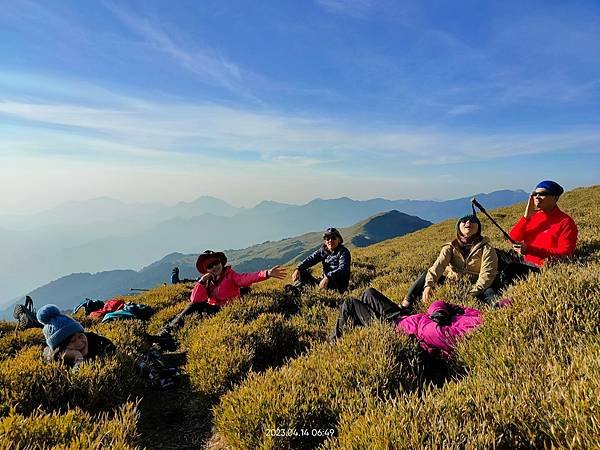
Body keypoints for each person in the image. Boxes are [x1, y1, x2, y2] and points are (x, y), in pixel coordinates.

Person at [330, 287, 482, 359]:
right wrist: (440, 311)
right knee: (369, 293)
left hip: (397, 331)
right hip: (405, 318)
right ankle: (356, 331)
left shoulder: (476, 333)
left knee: (350, 304)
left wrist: (432, 320)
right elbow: (447, 305)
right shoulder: (481, 316)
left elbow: (434, 334)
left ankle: (334, 347)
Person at [159, 250, 286, 334]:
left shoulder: (231, 275)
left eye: (216, 263)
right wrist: (202, 282)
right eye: (210, 266)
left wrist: (267, 273)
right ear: (206, 270)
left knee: (192, 309)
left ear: (221, 262)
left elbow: (246, 278)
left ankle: (168, 332)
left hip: (226, 310)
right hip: (213, 310)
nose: (215, 267)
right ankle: (167, 330)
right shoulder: (208, 280)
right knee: (190, 308)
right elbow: (195, 299)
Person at [402, 214, 499, 308]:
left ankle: (493, 313)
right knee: (426, 275)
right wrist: (428, 286)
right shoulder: (450, 247)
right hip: (452, 283)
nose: (468, 222)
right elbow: (437, 267)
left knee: (489, 293)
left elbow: (487, 275)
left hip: (476, 286)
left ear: (478, 227)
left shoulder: (487, 249)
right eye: (464, 220)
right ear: (458, 227)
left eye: (473, 221)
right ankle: (406, 304)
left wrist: (472, 293)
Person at [509, 180, 578, 267]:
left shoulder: (566, 222)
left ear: (555, 198)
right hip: (523, 262)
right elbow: (513, 239)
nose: (537, 197)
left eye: (542, 194)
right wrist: (525, 218)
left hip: (541, 267)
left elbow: (566, 253)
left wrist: (529, 250)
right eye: (535, 194)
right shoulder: (533, 217)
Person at [37, 304, 115, 368]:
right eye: (72, 341)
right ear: (60, 348)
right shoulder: (55, 363)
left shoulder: (100, 343)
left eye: (80, 336)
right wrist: (78, 358)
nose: (79, 342)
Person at [292, 227, 351, 293]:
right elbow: (310, 259)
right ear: (325, 242)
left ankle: (297, 292)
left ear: (339, 240)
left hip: (338, 287)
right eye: (328, 238)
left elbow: (343, 269)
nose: (330, 240)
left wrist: (328, 277)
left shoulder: (344, 252)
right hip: (324, 283)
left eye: (333, 238)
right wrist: (298, 268)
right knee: (302, 272)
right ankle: (294, 293)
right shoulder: (323, 251)